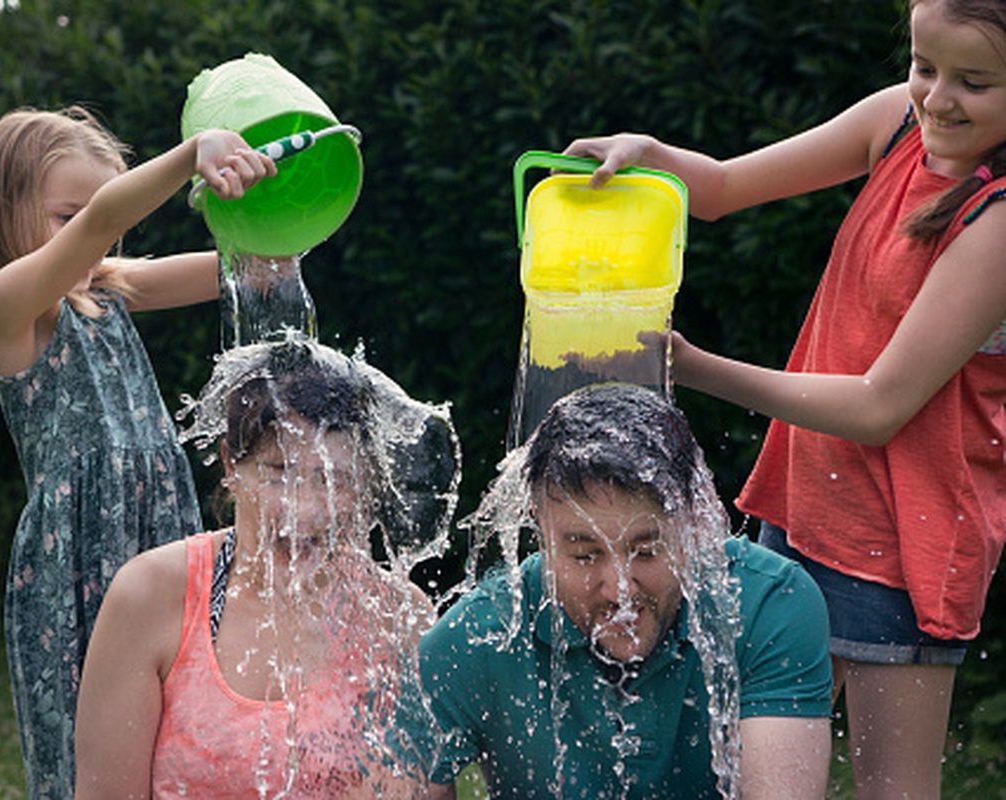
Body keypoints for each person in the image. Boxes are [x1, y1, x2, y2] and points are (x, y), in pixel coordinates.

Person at [563, 0, 1006, 795]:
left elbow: (879, 404)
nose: (937, 98)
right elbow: (726, 186)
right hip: (808, 508)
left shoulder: (998, 225)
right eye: (924, 66)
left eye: (974, 82)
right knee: (729, 777)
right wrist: (653, 155)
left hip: (905, 543)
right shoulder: (896, 123)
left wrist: (689, 366)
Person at [0, 106, 275, 798]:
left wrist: (271, 192)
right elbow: (104, 220)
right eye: (63, 218)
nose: (89, 238)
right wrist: (194, 151)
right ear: (4, 209)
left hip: (159, 539)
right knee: (90, 756)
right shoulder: (5, 307)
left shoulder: (110, 286)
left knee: (185, 725)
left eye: (92, 221)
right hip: (76, 562)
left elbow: (248, 269)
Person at [421, 383, 832, 799]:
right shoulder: (478, 639)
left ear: (691, 522)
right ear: (540, 532)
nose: (619, 591)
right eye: (585, 555)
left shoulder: (765, 604)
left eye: (646, 551)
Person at [73, 338, 440, 799]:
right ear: (230, 464)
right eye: (278, 472)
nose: (304, 510)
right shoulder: (152, 595)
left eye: (333, 479)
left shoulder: (398, 618)